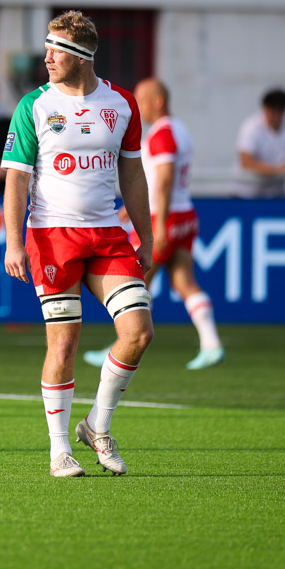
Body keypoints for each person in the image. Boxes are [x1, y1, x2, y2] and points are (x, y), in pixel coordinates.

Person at [2, 11, 155, 478]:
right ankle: (58, 451)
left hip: (107, 235)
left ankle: (97, 427)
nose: (47, 57)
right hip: (52, 236)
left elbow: (132, 172)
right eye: (47, 46)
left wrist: (145, 237)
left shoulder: (123, 104)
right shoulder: (34, 105)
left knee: (139, 332)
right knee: (64, 344)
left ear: (83, 56)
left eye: (57, 49)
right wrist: (13, 241)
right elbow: (15, 179)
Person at [83, 79, 224, 371]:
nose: (139, 107)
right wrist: (128, 211)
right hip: (184, 215)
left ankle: (124, 344)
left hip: (165, 217)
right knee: (184, 282)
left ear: (158, 101)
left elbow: (164, 180)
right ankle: (211, 344)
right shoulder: (180, 130)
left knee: (134, 283)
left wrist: (158, 227)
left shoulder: (161, 134)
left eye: (143, 101)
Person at [234, 88, 285, 198]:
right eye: (268, 111)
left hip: (276, 196)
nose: (271, 116)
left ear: (283, 112)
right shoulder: (251, 127)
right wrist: (280, 169)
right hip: (246, 194)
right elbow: (246, 162)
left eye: (276, 112)